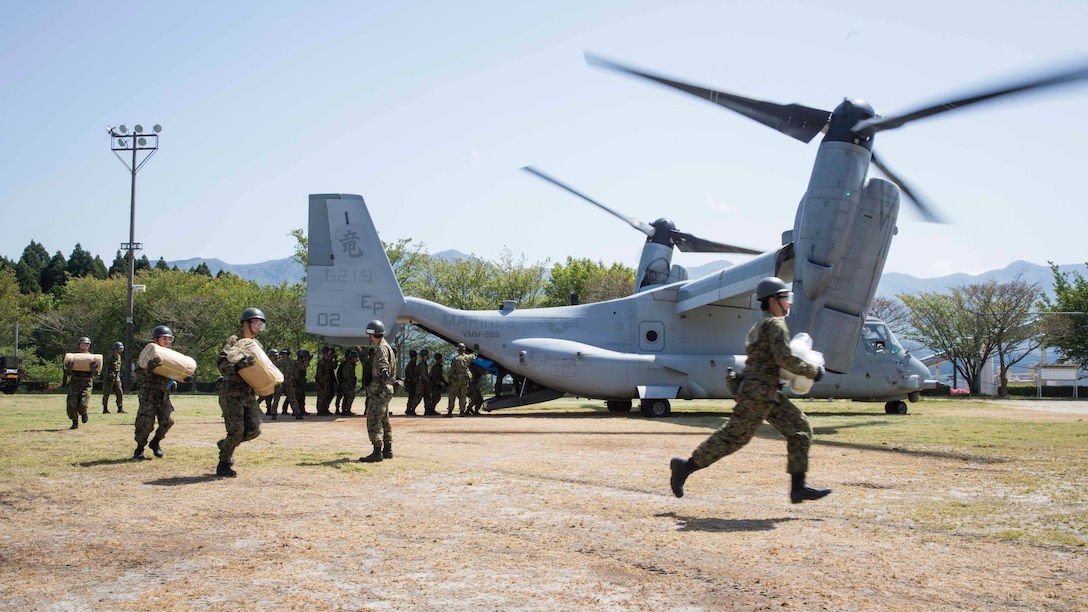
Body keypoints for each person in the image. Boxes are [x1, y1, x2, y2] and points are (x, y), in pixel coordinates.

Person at [669, 277, 831, 504]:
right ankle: (684, 467)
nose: (789, 303)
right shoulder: (774, 325)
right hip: (758, 394)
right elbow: (783, 358)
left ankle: (798, 487)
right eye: (785, 298)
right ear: (773, 300)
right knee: (732, 438)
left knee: (800, 429)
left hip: (764, 392)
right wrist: (813, 371)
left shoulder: (759, 325)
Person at [214, 308, 268, 478]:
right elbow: (222, 364)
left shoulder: (257, 345)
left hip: (248, 392)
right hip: (231, 391)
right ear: (246, 323)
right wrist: (237, 366)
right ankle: (223, 464)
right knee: (236, 430)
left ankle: (226, 444)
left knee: (254, 430)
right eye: (256, 323)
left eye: (261, 324)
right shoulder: (234, 341)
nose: (259, 327)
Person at [133, 326, 188, 460]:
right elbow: (138, 373)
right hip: (148, 393)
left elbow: (174, 373)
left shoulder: (171, 356)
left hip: (163, 394)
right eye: (164, 338)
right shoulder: (148, 354)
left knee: (168, 421)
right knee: (145, 424)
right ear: (155, 339)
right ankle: (140, 448)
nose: (167, 341)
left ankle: (155, 442)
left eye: (170, 339)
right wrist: (149, 369)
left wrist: (182, 378)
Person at [358, 320, 396, 462]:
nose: (369, 338)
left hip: (380, 389)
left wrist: (384, 371)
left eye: (370, 335)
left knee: (374, 418)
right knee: (384, 419)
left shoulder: (381, 348)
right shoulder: (388, 347)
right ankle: (387, 449)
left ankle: (377, 451)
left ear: (373, 334)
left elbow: (383, 362)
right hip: (386, 389)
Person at [64, 336, 98, 429]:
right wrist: (69, 368)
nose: (84, 346)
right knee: (71, 404)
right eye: (83, 344)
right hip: (75, 382)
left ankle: (84, 413)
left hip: (86, 383)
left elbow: (96, 374)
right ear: (79, 345)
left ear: (89, 346)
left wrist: (93, 369)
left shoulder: (92, 358)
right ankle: (75, 422)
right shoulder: (75, 358)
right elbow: (67, 373)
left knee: (83, 403)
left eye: (86, 345)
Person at [447, 343, 474, 416]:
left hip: (457, 379)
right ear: (464, 350)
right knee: (463, 395)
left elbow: (452, 370)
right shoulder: (468, 357)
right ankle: (462, 411)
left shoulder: (456, 359)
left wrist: (449, 378)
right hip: (465, 378)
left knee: (452, 395)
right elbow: (474, 355)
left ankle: (450, 411)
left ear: (458, 350)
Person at [276, 348, 303, 420]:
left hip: (280, 382)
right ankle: (297, 413)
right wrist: (307, 361)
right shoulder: (293, 362)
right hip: (289, 382)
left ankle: (273, 414)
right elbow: (302, 367)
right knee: (292, 398)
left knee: (277, 398)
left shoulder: (278, 362)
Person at [101, 341, 126, 414]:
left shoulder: (119, 357)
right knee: (106, 393)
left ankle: (120, 408)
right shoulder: (110, 357)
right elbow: (105, 368)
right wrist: (108, 377)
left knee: (119, 393)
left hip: (116, 378)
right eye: (120, 348)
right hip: (109, 379)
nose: (121, 350)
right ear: (115, 349)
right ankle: (105, 409)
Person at [337, 350, 359, 416]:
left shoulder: (351, 364)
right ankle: (346, 409)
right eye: (355, 358)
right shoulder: (348, 365)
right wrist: (350, 381)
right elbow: (345, 375)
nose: (356, 360)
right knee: (351, 395)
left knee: (347, 396)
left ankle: (345, 409)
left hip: (348, 383)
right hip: (346, 384)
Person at [315, 346, 337, 415]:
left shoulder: (328, 361)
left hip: (328, 382)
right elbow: (319, 374)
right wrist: (321, 382)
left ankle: (325, 409)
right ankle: (321, 410)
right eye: (328, 353)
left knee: (328, 395)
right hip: (323, 382)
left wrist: (334, 359)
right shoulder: (322, 362)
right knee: (322, 396)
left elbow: (334, 366)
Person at [260, 348, 280, 419]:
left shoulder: (275, 363)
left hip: (273, 382)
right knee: (265, 396)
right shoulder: (266, 363)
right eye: (275, 356)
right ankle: (267, 409)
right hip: (267, 382)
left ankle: (269, 410)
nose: (276, 357)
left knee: (270, 397)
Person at [414, 349, 434, 416]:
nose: (428, 356)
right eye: (426, 355)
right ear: (424, 356)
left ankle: (427, 410)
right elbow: (423, 375)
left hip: (424, 383)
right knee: (418, 397)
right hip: (421, 383)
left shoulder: (424, 364)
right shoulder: (422, 364)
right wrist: (429, 381)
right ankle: (411, 409)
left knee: (427, 397)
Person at [403, 350, 420, 415]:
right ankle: (409, 409)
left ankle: (409, 409)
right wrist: (415, 381)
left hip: (411, 382)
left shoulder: (412, 364)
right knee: (411, 397)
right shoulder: (411, 365)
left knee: (411, 397)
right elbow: (412, 375)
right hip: (411, 383)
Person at [294, 349, 311, 415]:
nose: (306, 358)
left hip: (300, 382)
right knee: (297, 397)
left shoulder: (300, 363)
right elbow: (303, 367)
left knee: (301, 397)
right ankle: (298, 411)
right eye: (305, 357)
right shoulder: (298, 363)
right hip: (297, 382)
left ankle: (302, 410)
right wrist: (308, 361)